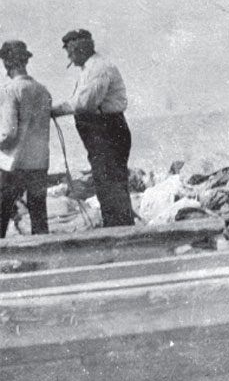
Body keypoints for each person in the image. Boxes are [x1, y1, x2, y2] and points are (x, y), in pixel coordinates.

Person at [52, 29, 135, 227]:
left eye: (70, 53)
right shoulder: (89, 69)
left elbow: (84, 104)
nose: (70, 58)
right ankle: (117, 226)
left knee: (110, 182)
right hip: (101, 132)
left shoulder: (98, 68)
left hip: (107, 130)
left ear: (80, 49)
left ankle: (119, 229)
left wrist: (53, 110)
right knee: (106, 181)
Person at [0, 40, 52, 237]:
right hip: (39, 162)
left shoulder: (10, 90)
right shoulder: (43, 90)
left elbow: (8, 134)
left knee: (1, 212)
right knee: (39, 214)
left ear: (6, 63)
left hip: (13, 164)